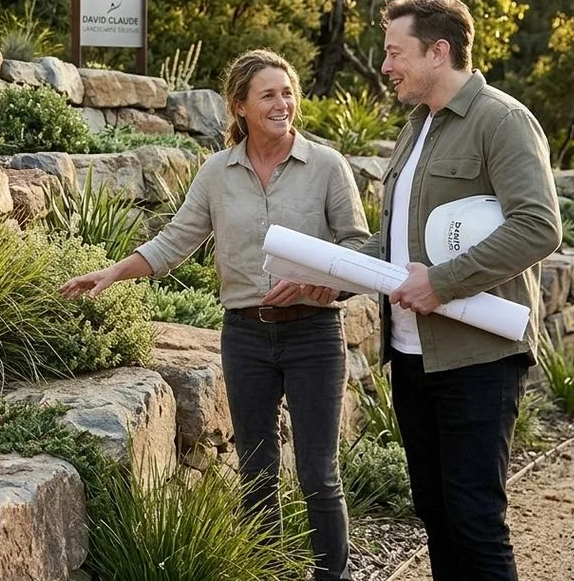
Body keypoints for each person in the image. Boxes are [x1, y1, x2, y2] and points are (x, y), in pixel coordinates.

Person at [61, 48, 368, 581]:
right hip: (245, 337)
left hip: (315, 334)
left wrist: (322, 284)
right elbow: (174, 241)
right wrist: (113, 272)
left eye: (288, 93)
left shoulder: (326, 166)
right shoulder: (217, 172)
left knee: (319, 474)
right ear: (240, 106)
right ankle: (266, 572)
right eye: (268, 95)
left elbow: (358, 247)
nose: (282, 104)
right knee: (256, 471)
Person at [363, 0, 561, 581]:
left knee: (475, 522)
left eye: (395, 52)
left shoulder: (501, 120)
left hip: (478, 358)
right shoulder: (416, 128)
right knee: (436, 514)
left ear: (438, 51)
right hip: (410, 356)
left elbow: (539, 225)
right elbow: (397, 243)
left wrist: (444, 283)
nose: (386, 65)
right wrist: (329, 275)